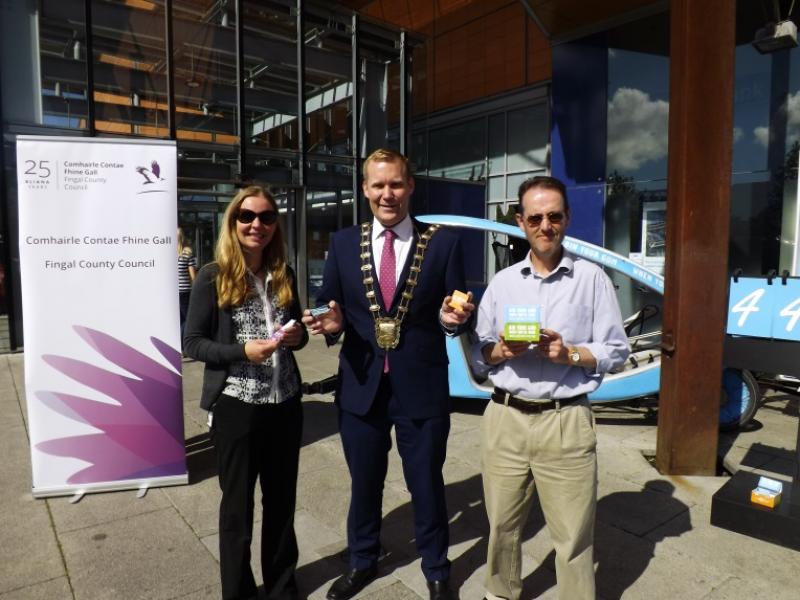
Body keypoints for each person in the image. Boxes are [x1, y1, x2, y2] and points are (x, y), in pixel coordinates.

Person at [302, 148, 474, 600]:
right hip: (361, 385)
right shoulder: (343, 243)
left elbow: (457, 309)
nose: (387, 194)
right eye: (377, 185)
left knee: (426, 481)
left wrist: (454, 320)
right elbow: (327, 300)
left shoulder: (443, 243)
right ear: (364, 190)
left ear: (410, 185)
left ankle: (437, 566)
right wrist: (328, 321)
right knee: (364, 481)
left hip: (421, 385)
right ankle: (362, 559)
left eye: (395, 183)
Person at [470, 175, 630, 600]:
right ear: (521, 222)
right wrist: (500, 351)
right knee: (502, 524)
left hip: (566, 421)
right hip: (505, 419)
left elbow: (617, 349)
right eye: (535, 217)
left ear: (567, 219)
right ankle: (500, 593)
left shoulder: (592, 279)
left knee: (573, 535)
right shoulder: (502, 283)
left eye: (554, 216)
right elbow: (479, 356)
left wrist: (571, 354)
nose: (545, 226)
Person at [184, 185, 308, 600]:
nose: (258, 224)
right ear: (233, 222)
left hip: (285, 404)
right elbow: (193, 342)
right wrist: (242, 351)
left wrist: (297, 336)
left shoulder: (283, 273)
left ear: (276, 224)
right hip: (237, 407)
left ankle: (281, 587)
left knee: (281, 505)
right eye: (248, 216)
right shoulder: (212, 275)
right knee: (237, 511)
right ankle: (237, 592)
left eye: (267, 217)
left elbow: (299, 330)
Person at [177, 227, 197, 341]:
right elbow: (193, 275)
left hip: (172, 292)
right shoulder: (187, 253)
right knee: (187, 318)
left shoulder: (168, 254)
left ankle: (179, 345)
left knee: (179, 319)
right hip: (185, 291)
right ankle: (183, 344)